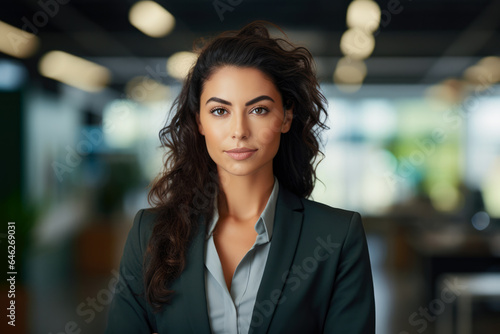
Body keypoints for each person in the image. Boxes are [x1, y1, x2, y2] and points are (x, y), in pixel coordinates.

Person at [106, 21, 375, 334]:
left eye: (258, 109)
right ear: (200, 122)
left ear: (286, 116)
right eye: (220, 111)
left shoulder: (338, 237)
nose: (239, 132)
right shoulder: (149, 234)